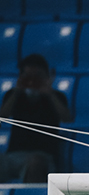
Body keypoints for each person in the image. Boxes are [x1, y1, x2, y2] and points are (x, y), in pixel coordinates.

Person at [0, 55, 72, 183]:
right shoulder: (13, 95)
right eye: (28, 76)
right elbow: (3, 116)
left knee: (35, 162)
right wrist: (17, 91)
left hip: (43, 156)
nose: (33, 80)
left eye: (37, 76)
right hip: (13, 155)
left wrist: (49, 94)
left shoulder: (57, 97)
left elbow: (67, 118)